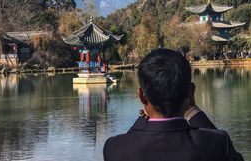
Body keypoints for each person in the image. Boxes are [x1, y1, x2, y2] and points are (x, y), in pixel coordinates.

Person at [103, 48, 243, 161]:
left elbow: (130, 140)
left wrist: (143, 116)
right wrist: (193, 111)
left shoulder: (115, 148)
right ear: (190, 93)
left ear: (141, 96)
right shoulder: (216, 144)